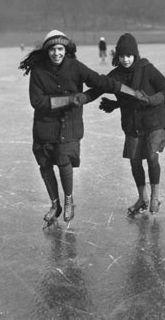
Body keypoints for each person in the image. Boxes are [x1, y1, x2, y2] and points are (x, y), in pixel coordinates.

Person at [19, 30, 143, 228]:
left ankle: (68, 200)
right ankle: (55, 204)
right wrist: (69, 99)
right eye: (52, 49)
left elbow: (102, 82)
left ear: (66, 49)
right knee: (44, 164)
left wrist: (130, 91)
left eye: (60, 49)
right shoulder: (38, 70)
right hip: (45, 125)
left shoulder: (74, 67)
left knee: (63, 161)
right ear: (47, 51)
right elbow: (37, 101)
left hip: (69, 124)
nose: (56, 53)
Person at [86, 33, 165, 215]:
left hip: (154, 120)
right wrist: (78, 100)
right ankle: (143, 198)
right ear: (117, 56)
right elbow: (97, 90)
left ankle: (155, 198)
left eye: (129, 55)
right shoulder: (116, 75)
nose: (126, 60)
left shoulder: (147, 69)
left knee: (151, 157)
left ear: (135, 55)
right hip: (132, 123)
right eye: (122, 56)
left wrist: (152, 99)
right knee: (135, 161)